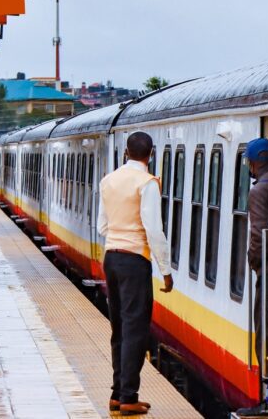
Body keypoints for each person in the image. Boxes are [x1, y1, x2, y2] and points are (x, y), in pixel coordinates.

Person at [97, 131, 173, 416]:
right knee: (135, 329)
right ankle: (129, 396)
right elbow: (154, 230)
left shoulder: (109, 180)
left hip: (111, 257)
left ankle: (118, 393)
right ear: (150, 154)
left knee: (118, 327)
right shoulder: (147, 183)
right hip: (134, 261)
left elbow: (101, 226)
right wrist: (165, 270)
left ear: (126, 153)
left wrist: (118, 236)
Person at [236, 138, 268, 417]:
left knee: (264, 331)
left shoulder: (259, 190)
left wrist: (255, 262)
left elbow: (258, 234)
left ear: (255, 162)